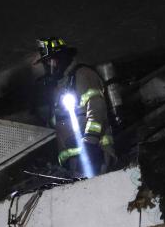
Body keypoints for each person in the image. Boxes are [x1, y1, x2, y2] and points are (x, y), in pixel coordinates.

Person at [36, 37, 115, 176]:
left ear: (61, 58)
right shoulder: (59, 86)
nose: (50, 66)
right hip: (74, 163)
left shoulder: (83, 75)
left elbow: (97, 108)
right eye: (47, 62)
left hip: (93, 155)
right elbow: (58, 124)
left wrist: (91, 142)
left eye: (51, 60)